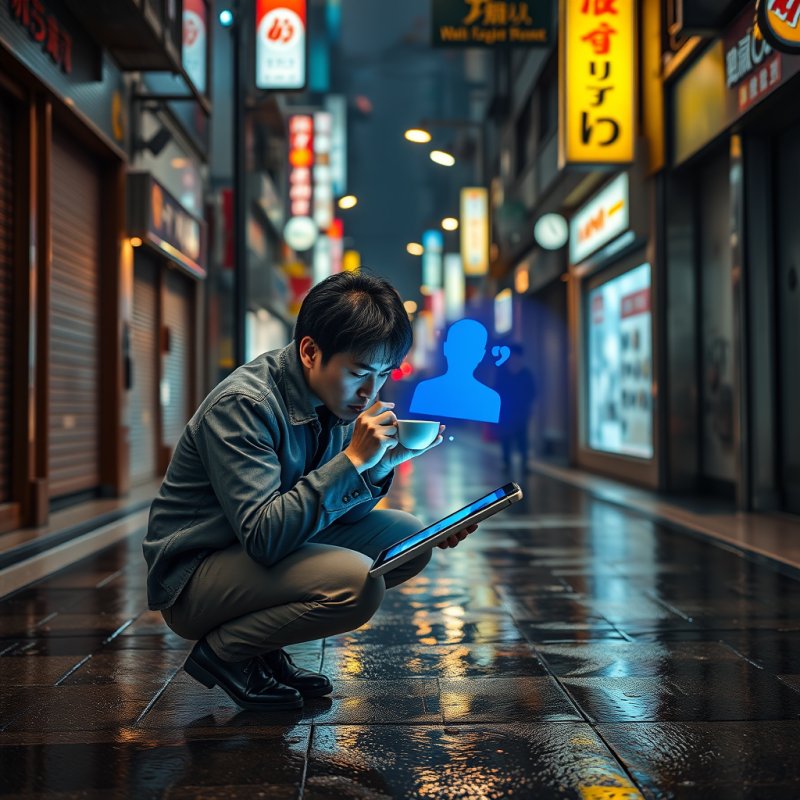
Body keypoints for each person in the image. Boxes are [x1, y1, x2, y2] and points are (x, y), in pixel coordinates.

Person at [142, 271, 478, 711]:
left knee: (407, 542)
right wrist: (352, 460)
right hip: (194, 577)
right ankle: (227, 652)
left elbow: (337, 516)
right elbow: (265, 538)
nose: (369, 392)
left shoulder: (332, 399)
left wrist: (377, 469)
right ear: (310, 351)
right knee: (357, 583)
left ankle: (261, 647)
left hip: (251, 555)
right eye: (358, 372)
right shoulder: (246, 405)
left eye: (382, 375)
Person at [410, 319, 501, 423]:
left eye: (470, 350)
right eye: (459, 347)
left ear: (481, 355)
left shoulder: (490, 399)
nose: (463, 356)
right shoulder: (490, 399)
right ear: (446, 348)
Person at [494, 344, 536, 474]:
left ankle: (524, 463)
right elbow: (496, 391)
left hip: (521, 413)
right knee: (506, 438)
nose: (514, 359)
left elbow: (532, 392)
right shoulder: (503, 374)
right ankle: (506, 462)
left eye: (517, 356)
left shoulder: (526, 374)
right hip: (506, 413)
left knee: (522, 439)